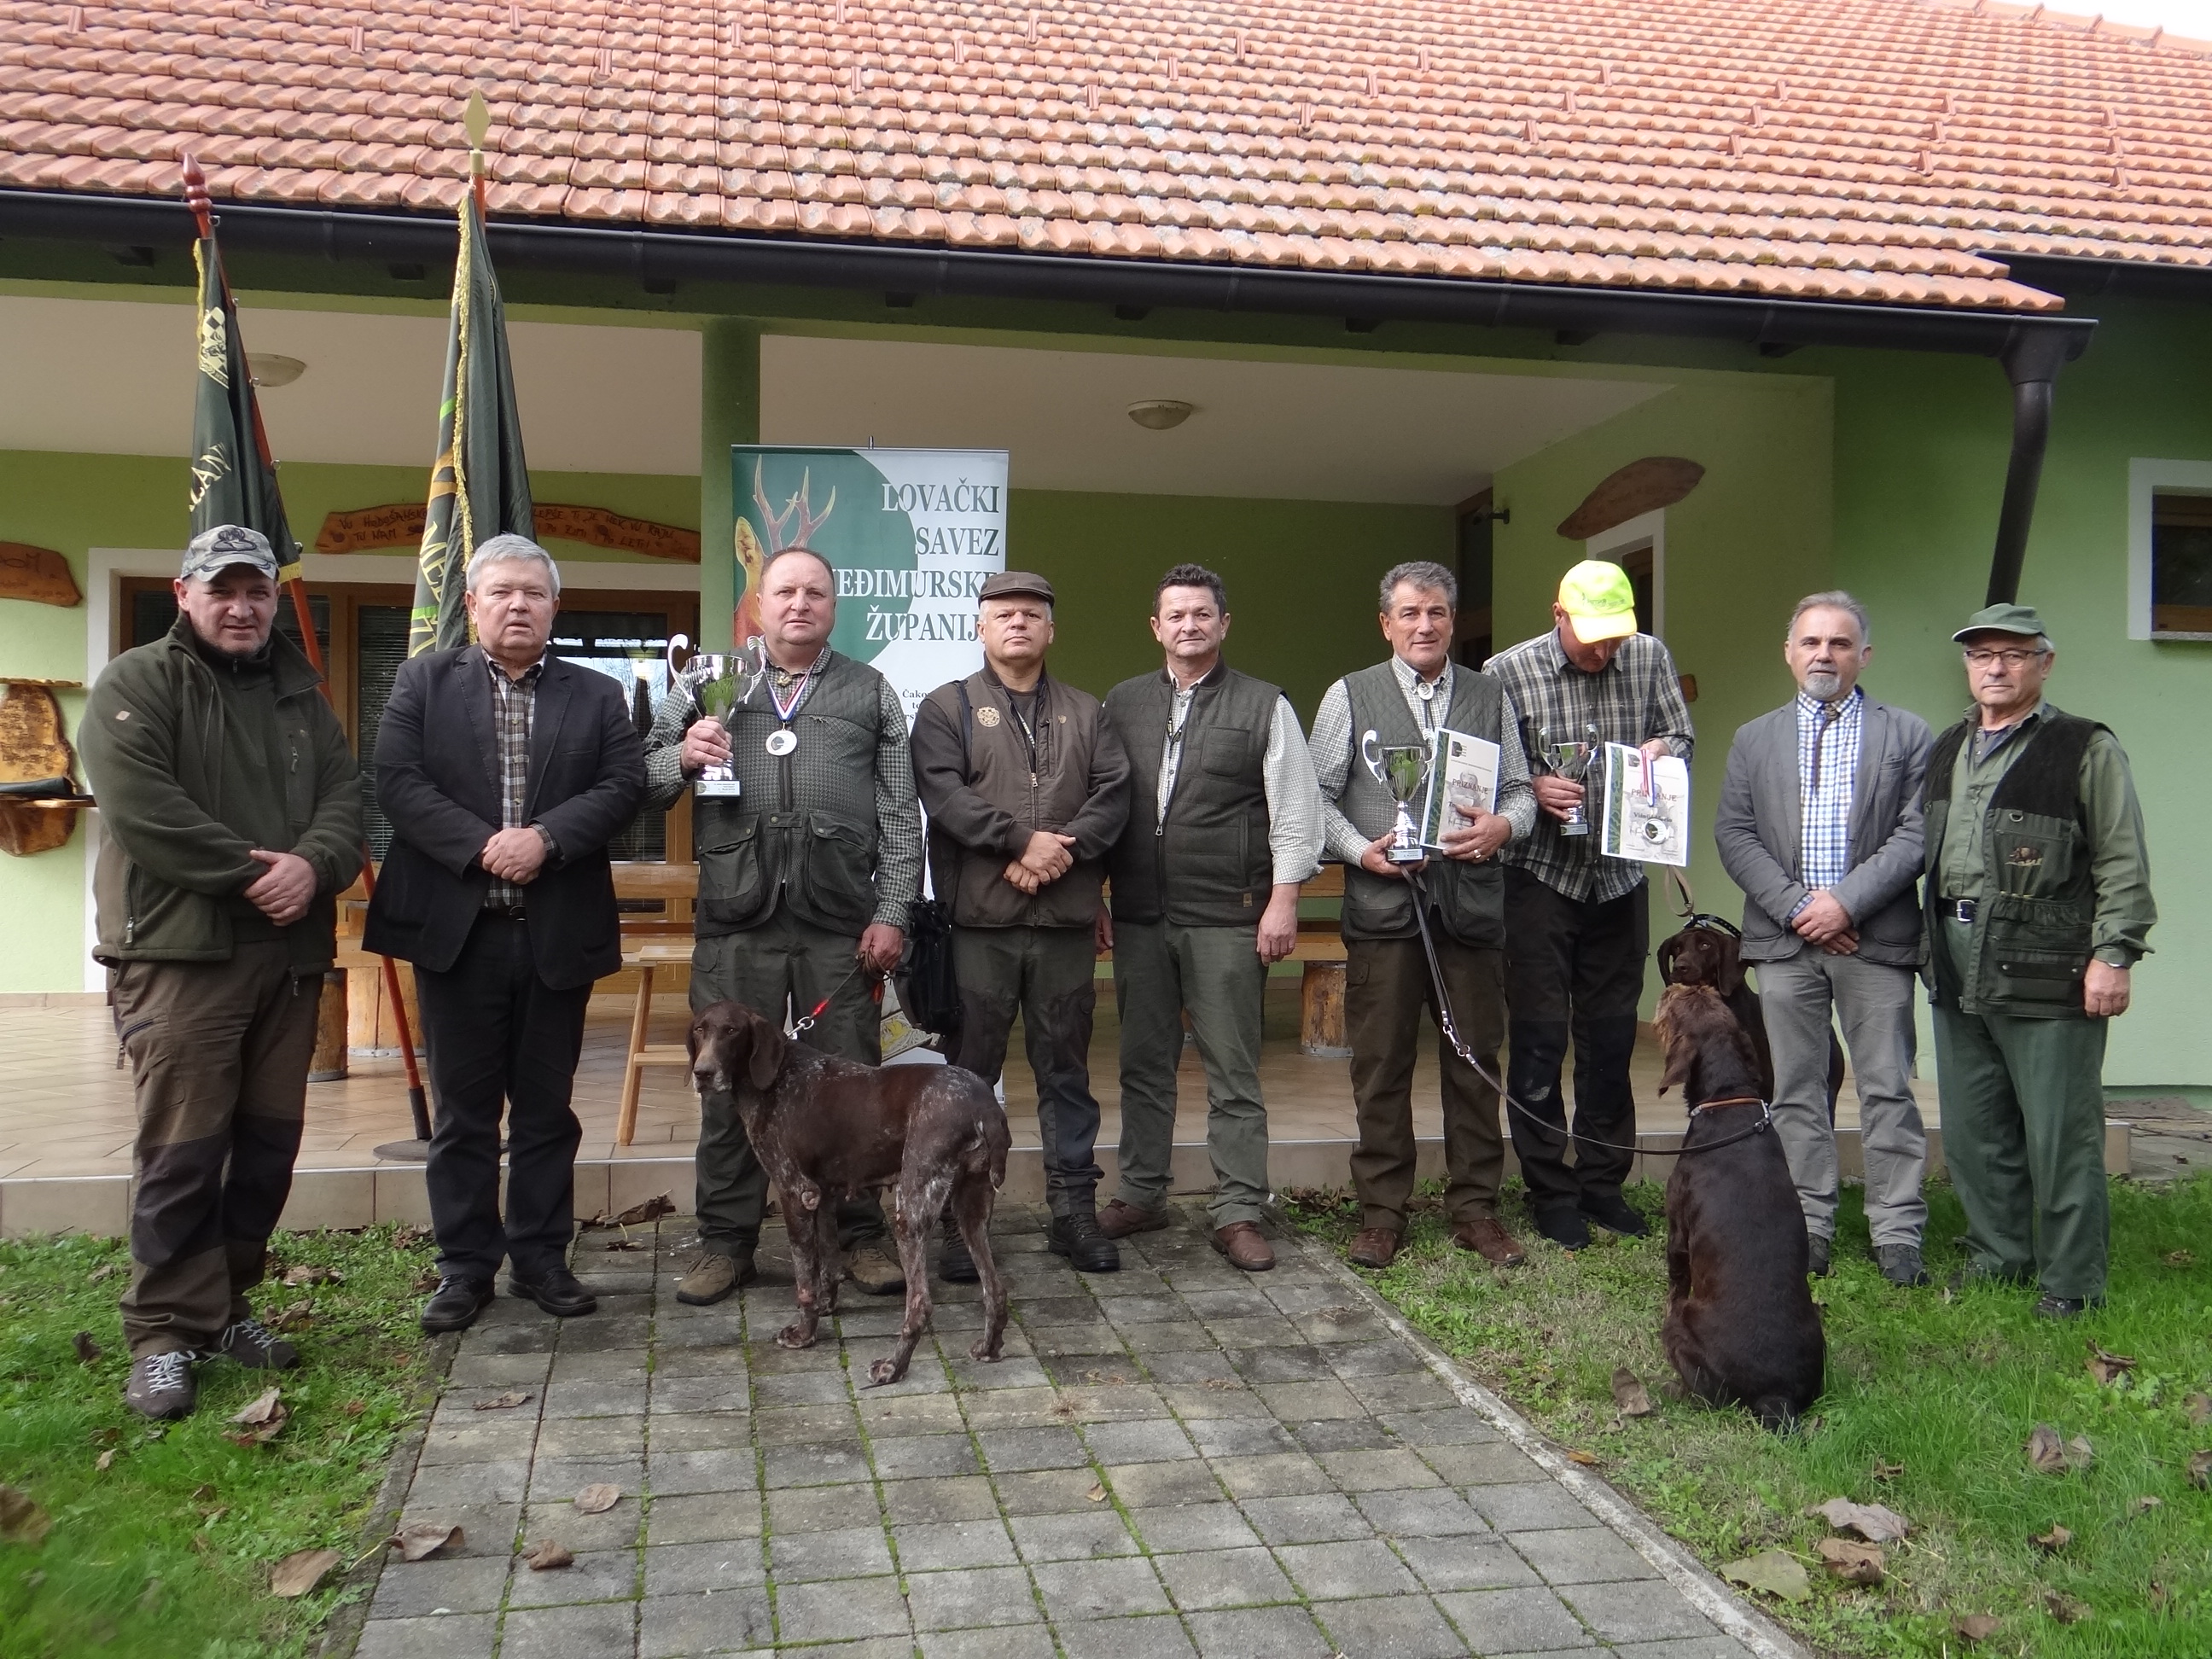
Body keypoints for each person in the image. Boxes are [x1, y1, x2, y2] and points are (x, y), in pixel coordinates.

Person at [79, 525, 363, 1418]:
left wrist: (313, 865)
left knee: (265, 1152)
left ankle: (223, 1309)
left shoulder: (301, 696)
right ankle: (163, 1334)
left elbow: (346, 801)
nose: (242, 608)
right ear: (184, 594)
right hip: (181, 953)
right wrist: (256, 875)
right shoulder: (138, 682)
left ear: (274, 598)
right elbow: (143, 807)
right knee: (184, 1151)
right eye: (222, 590)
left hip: (288, 958)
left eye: (257, 591)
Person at [364, 535, 646, 1334]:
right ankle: (464, 1268)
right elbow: (397, 782)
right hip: (459, 937)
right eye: (501, 592)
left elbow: (623, 785)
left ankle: (540, 1258)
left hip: (555, 932)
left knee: (547, 1111)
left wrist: (545, 840)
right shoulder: (422, 681)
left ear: (556, 606)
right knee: (464, 1113)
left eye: (533, 592)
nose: (518, 604)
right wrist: (485, 845)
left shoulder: (598, 694)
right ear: (471, 604)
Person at [643, 545, 923, 1302]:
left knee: (854, 1089)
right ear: (759, 605)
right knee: (728, 1088)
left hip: (840, 924)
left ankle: (860, 1237)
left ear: (834, 607)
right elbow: (641, 775)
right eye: (785, 592)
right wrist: (683, 756)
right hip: (736, 921)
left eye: (815, 593)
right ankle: (725, 1245)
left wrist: (892, 910)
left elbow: (902, 813)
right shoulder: (705, 681)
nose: (800, 604)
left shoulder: (870, 691)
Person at [1924, 603, 2153, 1318]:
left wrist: (2114, 953)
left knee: (2060, 1133)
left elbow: (2122, 859)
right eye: (1982, 654)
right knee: (1975, 1128)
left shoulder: (2085, 747)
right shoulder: (1948, 746)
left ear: (2044, 664)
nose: (1995, 667)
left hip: (2048, 963)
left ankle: (2072, 1284)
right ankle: (1999, 1259)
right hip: (1955, 955)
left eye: (2014, 654)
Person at [1310, 561, 1538, 1272]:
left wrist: (1504, 826)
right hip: (1384, 908)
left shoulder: (1489, 694)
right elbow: (1314, 797)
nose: (1424, 625)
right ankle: (1382, 1213)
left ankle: (1476, 1209)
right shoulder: (1350, 695)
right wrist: (1360, 850)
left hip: (1470, 908)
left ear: (1452, 620)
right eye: (1409, 613)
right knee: (1381, 1063)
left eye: (1436, 612)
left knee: (1475, 1059)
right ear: (1387, 624)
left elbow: (1521, 789)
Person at [1097, 562, 1324, 1272]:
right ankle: (1141, 1192)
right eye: (1176, 615)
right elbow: (1102, 804)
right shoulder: (1121, 703)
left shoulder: (1264, 704)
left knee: (1232, 1072)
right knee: (1143, 1065)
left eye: (1202, 614)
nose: (1189, 625)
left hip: (1229, 916)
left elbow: (1296, 813)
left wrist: (1283, 900)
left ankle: (1239, 1209)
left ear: (1224, 624)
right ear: (1156, 627)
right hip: (1140, 915)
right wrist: (1096, 895)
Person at [911, 572, 1131, 1276]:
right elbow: (944, 796)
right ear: (980, 627)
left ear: (1050, 630)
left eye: (1032, 614)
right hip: (979, 925)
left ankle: (1074, 1214)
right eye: (1003, 614)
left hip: (1064, 926)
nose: (1017, 623)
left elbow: (1113, 797)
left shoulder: (1088, 712)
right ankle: (959, 1223)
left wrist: (1056, 854)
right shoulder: (946, 708)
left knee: (1066, 1073)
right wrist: (1018, 842)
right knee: (968, 1077)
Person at [1714, 592, 1934, 1285]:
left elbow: (1917, 833)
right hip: (1786, 945)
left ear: (1863, 655)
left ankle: (1897, 1231)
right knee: (1796, 1089)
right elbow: (1734, 834)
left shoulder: (1907, 734)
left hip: (1875, 941)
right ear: (1789, 653)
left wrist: (1844, 905)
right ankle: (1806, 1223)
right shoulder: (1754, 738)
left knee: (1887, 1088)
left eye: (1839, 643)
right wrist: (1800, 909)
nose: (1824, 655)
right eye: (1810, 642)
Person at [1486, 560, 1695, 1251]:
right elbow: (1485, 771)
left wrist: (1658, 752)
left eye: (1615, 638)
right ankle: (1550, 1191)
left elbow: (1683, 737)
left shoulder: (1649, 657)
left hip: (1620, 879)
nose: (1604, 650)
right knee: (1540, 1038)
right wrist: (1534, 786)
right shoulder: (1506, 672)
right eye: (1591, 637)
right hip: (1539, 879)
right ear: (1559, 615)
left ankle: (1603, 1183)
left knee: (1609, 1039)